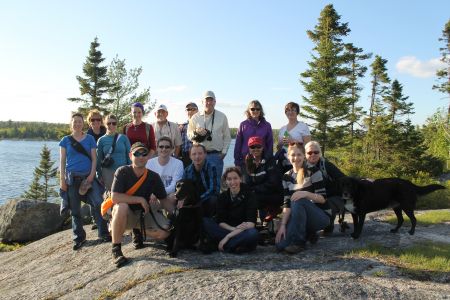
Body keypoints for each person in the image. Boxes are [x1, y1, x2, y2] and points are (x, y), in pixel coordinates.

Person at [110, 142, 172, 267]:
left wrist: (177, 213)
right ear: (130, 155)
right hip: (126, 214)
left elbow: (164, 200)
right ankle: (116, 249)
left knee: (165, 232)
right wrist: (140, 199)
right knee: (121, 206)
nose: (141, 156)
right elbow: (115, 197)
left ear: (147, 157)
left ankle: (137, 230)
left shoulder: (153, 177)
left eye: (144, 154)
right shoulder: (122, 172)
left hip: (143, 214)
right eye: (136, 153)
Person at [59, 113, 110, 251]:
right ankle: (79, 237)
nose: (77, 124)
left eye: (79, 122)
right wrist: (62, 180)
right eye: (74, 122)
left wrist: (92, 175)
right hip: (72, 179)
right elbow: (62, 162)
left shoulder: (90, 139)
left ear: (83, 124)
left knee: (98, 203)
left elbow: (94, 159)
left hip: (88, 177)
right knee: (75, 210)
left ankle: (103, 233)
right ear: (71, 124)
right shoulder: (65, 140)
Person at [275, 143, 330, 254]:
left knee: (298, 199)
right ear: (288, 157)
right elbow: (287, 204)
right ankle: (307, 233)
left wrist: (306, 194)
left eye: (299, 154)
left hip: (321, 217)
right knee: (280, 245)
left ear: (304, 156)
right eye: (293, 155)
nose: (296, 158)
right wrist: (283, 225)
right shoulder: (286, 177)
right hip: (299, 216)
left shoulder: (313, 171)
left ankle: (299, 243)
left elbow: (323, 199)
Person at [203, 167, 259, 254]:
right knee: (205, 221)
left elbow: (251, 224)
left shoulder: (250, 195)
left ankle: (224, 244)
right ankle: (235, 245)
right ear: (226, 181)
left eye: (235, 178)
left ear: (240, 179)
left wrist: (228, 237)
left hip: (242, 231)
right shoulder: (222, 197)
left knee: (253, 233)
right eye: (229, 179)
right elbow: (221, 221)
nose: (233, 182)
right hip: (228, 229)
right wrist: (232, 229)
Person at [305, 141, 346, 233]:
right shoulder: (302, 168)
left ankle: (329, 223)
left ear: (320, 153)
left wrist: (362, 180)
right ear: (305, 154)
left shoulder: (327, 166)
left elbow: (344, 179)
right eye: (309, 152)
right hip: (312, 197)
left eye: (316, 152)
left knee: (324, 205)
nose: (313, 155)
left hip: (332, 197)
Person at [187, 91, 231, 176]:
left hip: (216, 155)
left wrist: (223, 153)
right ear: (202, 102)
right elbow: (189, 135)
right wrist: (196, 133)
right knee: (199, 184)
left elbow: (227, 137)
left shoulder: (222, 116)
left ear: (215, 102)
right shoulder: (195, 117)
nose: (209, 102)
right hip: (199, 156)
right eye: (206, 100)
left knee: (215, 185)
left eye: (211, 100)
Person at [243, 136, 283, 223]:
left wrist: (254, 189)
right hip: (259, 194)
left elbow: (273, 183)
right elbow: (248, 183)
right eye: (252, 147)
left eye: (258, 146)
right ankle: (252, 223)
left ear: (262, 147)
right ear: (249, 149)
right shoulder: (248, 161)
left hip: (274, 194)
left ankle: (273, 211)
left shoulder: (270, 160)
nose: (255, 149)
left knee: (253, 199)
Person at [183, 144, 220, 217]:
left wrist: (198, 199)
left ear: (205, 154)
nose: (197, 157)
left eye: (200, 153)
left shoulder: (212, 167)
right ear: (190, 156)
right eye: (194, 154)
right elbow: (184, 189)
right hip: (193, 199)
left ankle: (210, 220)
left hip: (207, 198)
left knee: (213, 200)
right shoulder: (187, 170)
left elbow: (214, 189)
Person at [234, 100, 273, 169]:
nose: (255, 111)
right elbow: (238, 144)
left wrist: (267, 160)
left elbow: (270, 145)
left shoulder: (267, 125)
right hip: (245, 162)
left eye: (258, 109)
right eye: (252, 109)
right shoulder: (243, 125)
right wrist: (237, 162)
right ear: (249, 111)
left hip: (262, 163)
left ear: (261, 110)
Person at [97, 114, 131, 191]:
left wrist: (131, 171)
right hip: (108, 172)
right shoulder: (101, 140)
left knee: (124, 194)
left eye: (114, 123)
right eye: (109, 123)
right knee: (111, 195)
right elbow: (98, 159)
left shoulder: (123, 138)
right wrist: (99, 175)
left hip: (124, 171)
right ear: (105, 125)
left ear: (116, 124)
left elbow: (129, 156)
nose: (111, 125)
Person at [146, 136, 184, 205]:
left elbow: (174, 186)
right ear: (157, 148)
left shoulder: (178, 163)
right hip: (153, 196)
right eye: (161, 147)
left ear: (172, 149)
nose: (164, 149)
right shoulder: (149, 163)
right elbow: (147, 184)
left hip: (168, 194)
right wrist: (153, 194)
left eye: (167, 147)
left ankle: (168, 214)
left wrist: (158, 194)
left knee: (173, 196)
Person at [275, 102, 311, 174]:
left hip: (298, 162)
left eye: (293, 110)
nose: (290, 112)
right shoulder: (282, 129)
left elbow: (308, 146)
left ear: (297, 112)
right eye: (288, 110)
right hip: (284, 163)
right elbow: (278, 147)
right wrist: (281, 143)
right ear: (285, 113)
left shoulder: (303, 126)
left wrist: (293, 141)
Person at [178, 102, 198, 168]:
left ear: (197, 111)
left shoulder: (202, 125)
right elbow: (179, 144)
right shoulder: (182, 127)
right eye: (188, 109)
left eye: (193, 109)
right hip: (185, 156)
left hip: (198, 155)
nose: (190, 111)